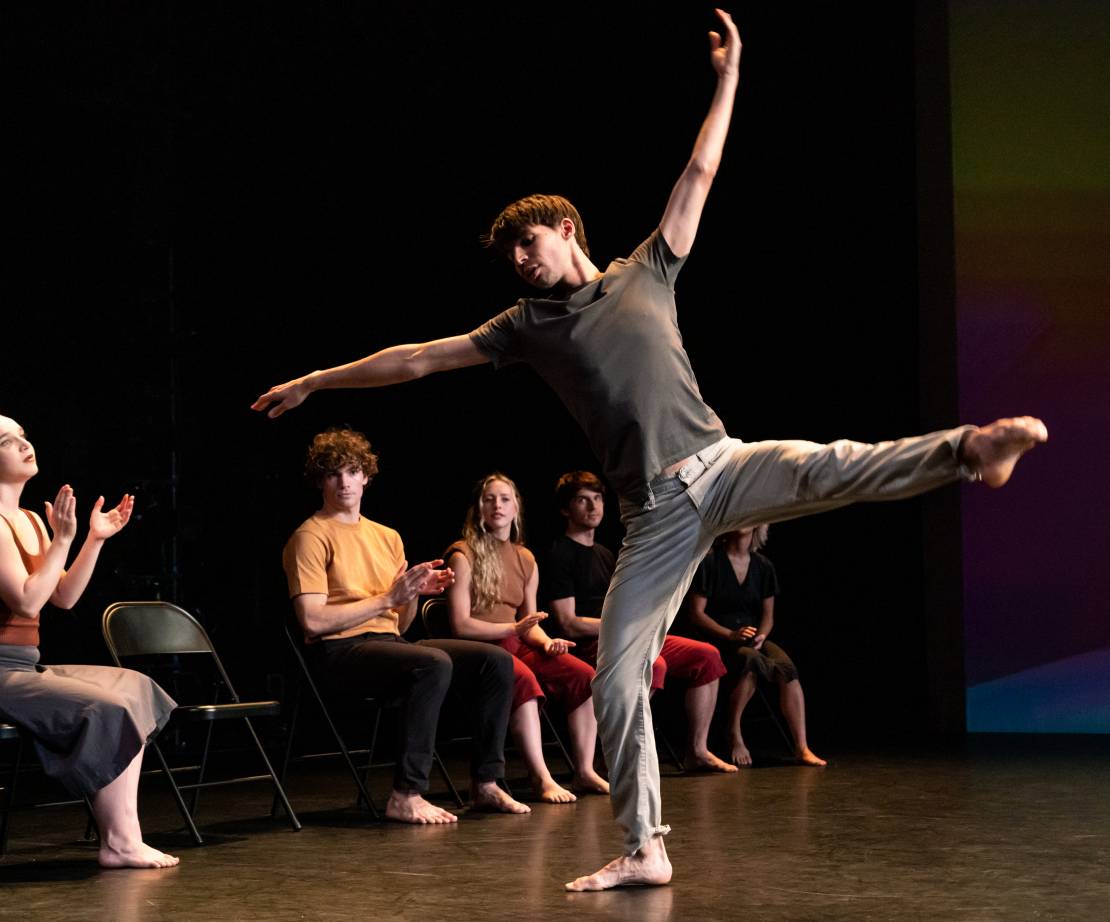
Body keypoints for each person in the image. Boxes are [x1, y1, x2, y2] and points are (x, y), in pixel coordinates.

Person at [253, 8, 1046, 890]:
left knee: (833, 464)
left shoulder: (646, 269)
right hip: (655, 515)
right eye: (508, 249)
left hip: (723, 463)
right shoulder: (523, 328)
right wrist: (319, 379)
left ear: (566, 229)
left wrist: (729, 76)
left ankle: (972, 451)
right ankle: (645, 847)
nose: (518, 256)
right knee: (621, 677)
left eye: (529, 238)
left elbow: (701, 169)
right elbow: (417, 359)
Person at [282, 428, 526, 822]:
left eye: (351, 471)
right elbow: (312, 621)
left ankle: (486, 783)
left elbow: (402, 623)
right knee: (433, 662)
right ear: (320, 481)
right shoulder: (310, 536)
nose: (344, 482)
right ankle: (406, 794)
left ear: (366, 477)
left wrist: (412, 594)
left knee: (494, 660)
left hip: (387, 643)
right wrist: (387, 598)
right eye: (332, 474)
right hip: (337, 652)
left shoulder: (387, 536)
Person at [0, 414, 178, 868]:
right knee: (107, 708)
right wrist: (62, 539)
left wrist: (91, 540)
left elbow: (61, 598)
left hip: (24, 664)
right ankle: (119, 841)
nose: (24, 444)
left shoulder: (29, 521)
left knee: (133, 687)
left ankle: (122, 835)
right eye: (7, 440)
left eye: (23, 434)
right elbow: (25, 601)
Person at [543, 470, 734, 773]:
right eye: (582, 500)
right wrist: (625, 629)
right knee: (653, 665)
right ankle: (615, 752)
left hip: (628, 636)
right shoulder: (559, 554)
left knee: (706, 656)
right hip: (594, 644)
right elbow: (568, 623)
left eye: (598, 499)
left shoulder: (606, 553)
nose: (593, 507)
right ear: (566, 509)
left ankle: (697, 750)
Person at [439, 473, 608, 802]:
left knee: (582, 675)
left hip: (514, 641)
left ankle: (584, 770)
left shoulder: (525, 558)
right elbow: (461, 625)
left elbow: (527, 622)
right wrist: (512, 631)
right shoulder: (462, 554)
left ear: (516, 507)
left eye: (504, 499)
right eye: (489, 499)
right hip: (481, 648)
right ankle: (541, 777)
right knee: (523, 680)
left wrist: (546, 642)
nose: (497, 505)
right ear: (478, 508)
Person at [688, 526, 824, 767]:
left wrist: (761, 635)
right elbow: (697, 614)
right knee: (750, 661)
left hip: (752, 637)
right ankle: (734, 732)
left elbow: (768, 615)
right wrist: (730, 634)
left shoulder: (763, 566)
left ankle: (801, 746)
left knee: (786, 667)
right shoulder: (710, 561)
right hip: (720, 637)